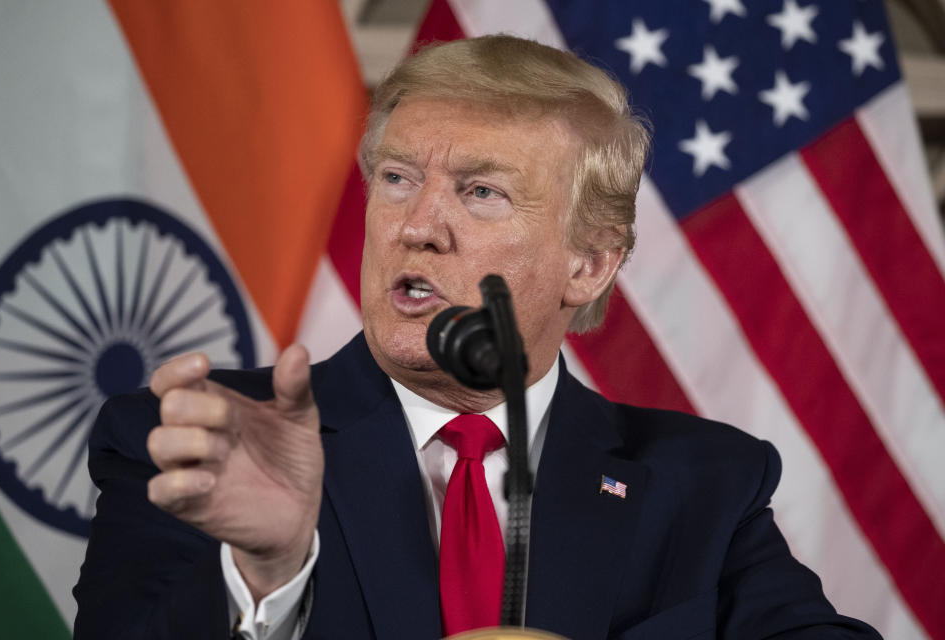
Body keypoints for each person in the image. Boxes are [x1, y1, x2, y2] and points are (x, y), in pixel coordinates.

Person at [73, 35, 881, 639]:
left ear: (590, 265)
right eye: (396, 179)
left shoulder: (704, 485)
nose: (416, 226)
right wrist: (267, 578)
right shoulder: (202, 443)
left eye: (481, 192)